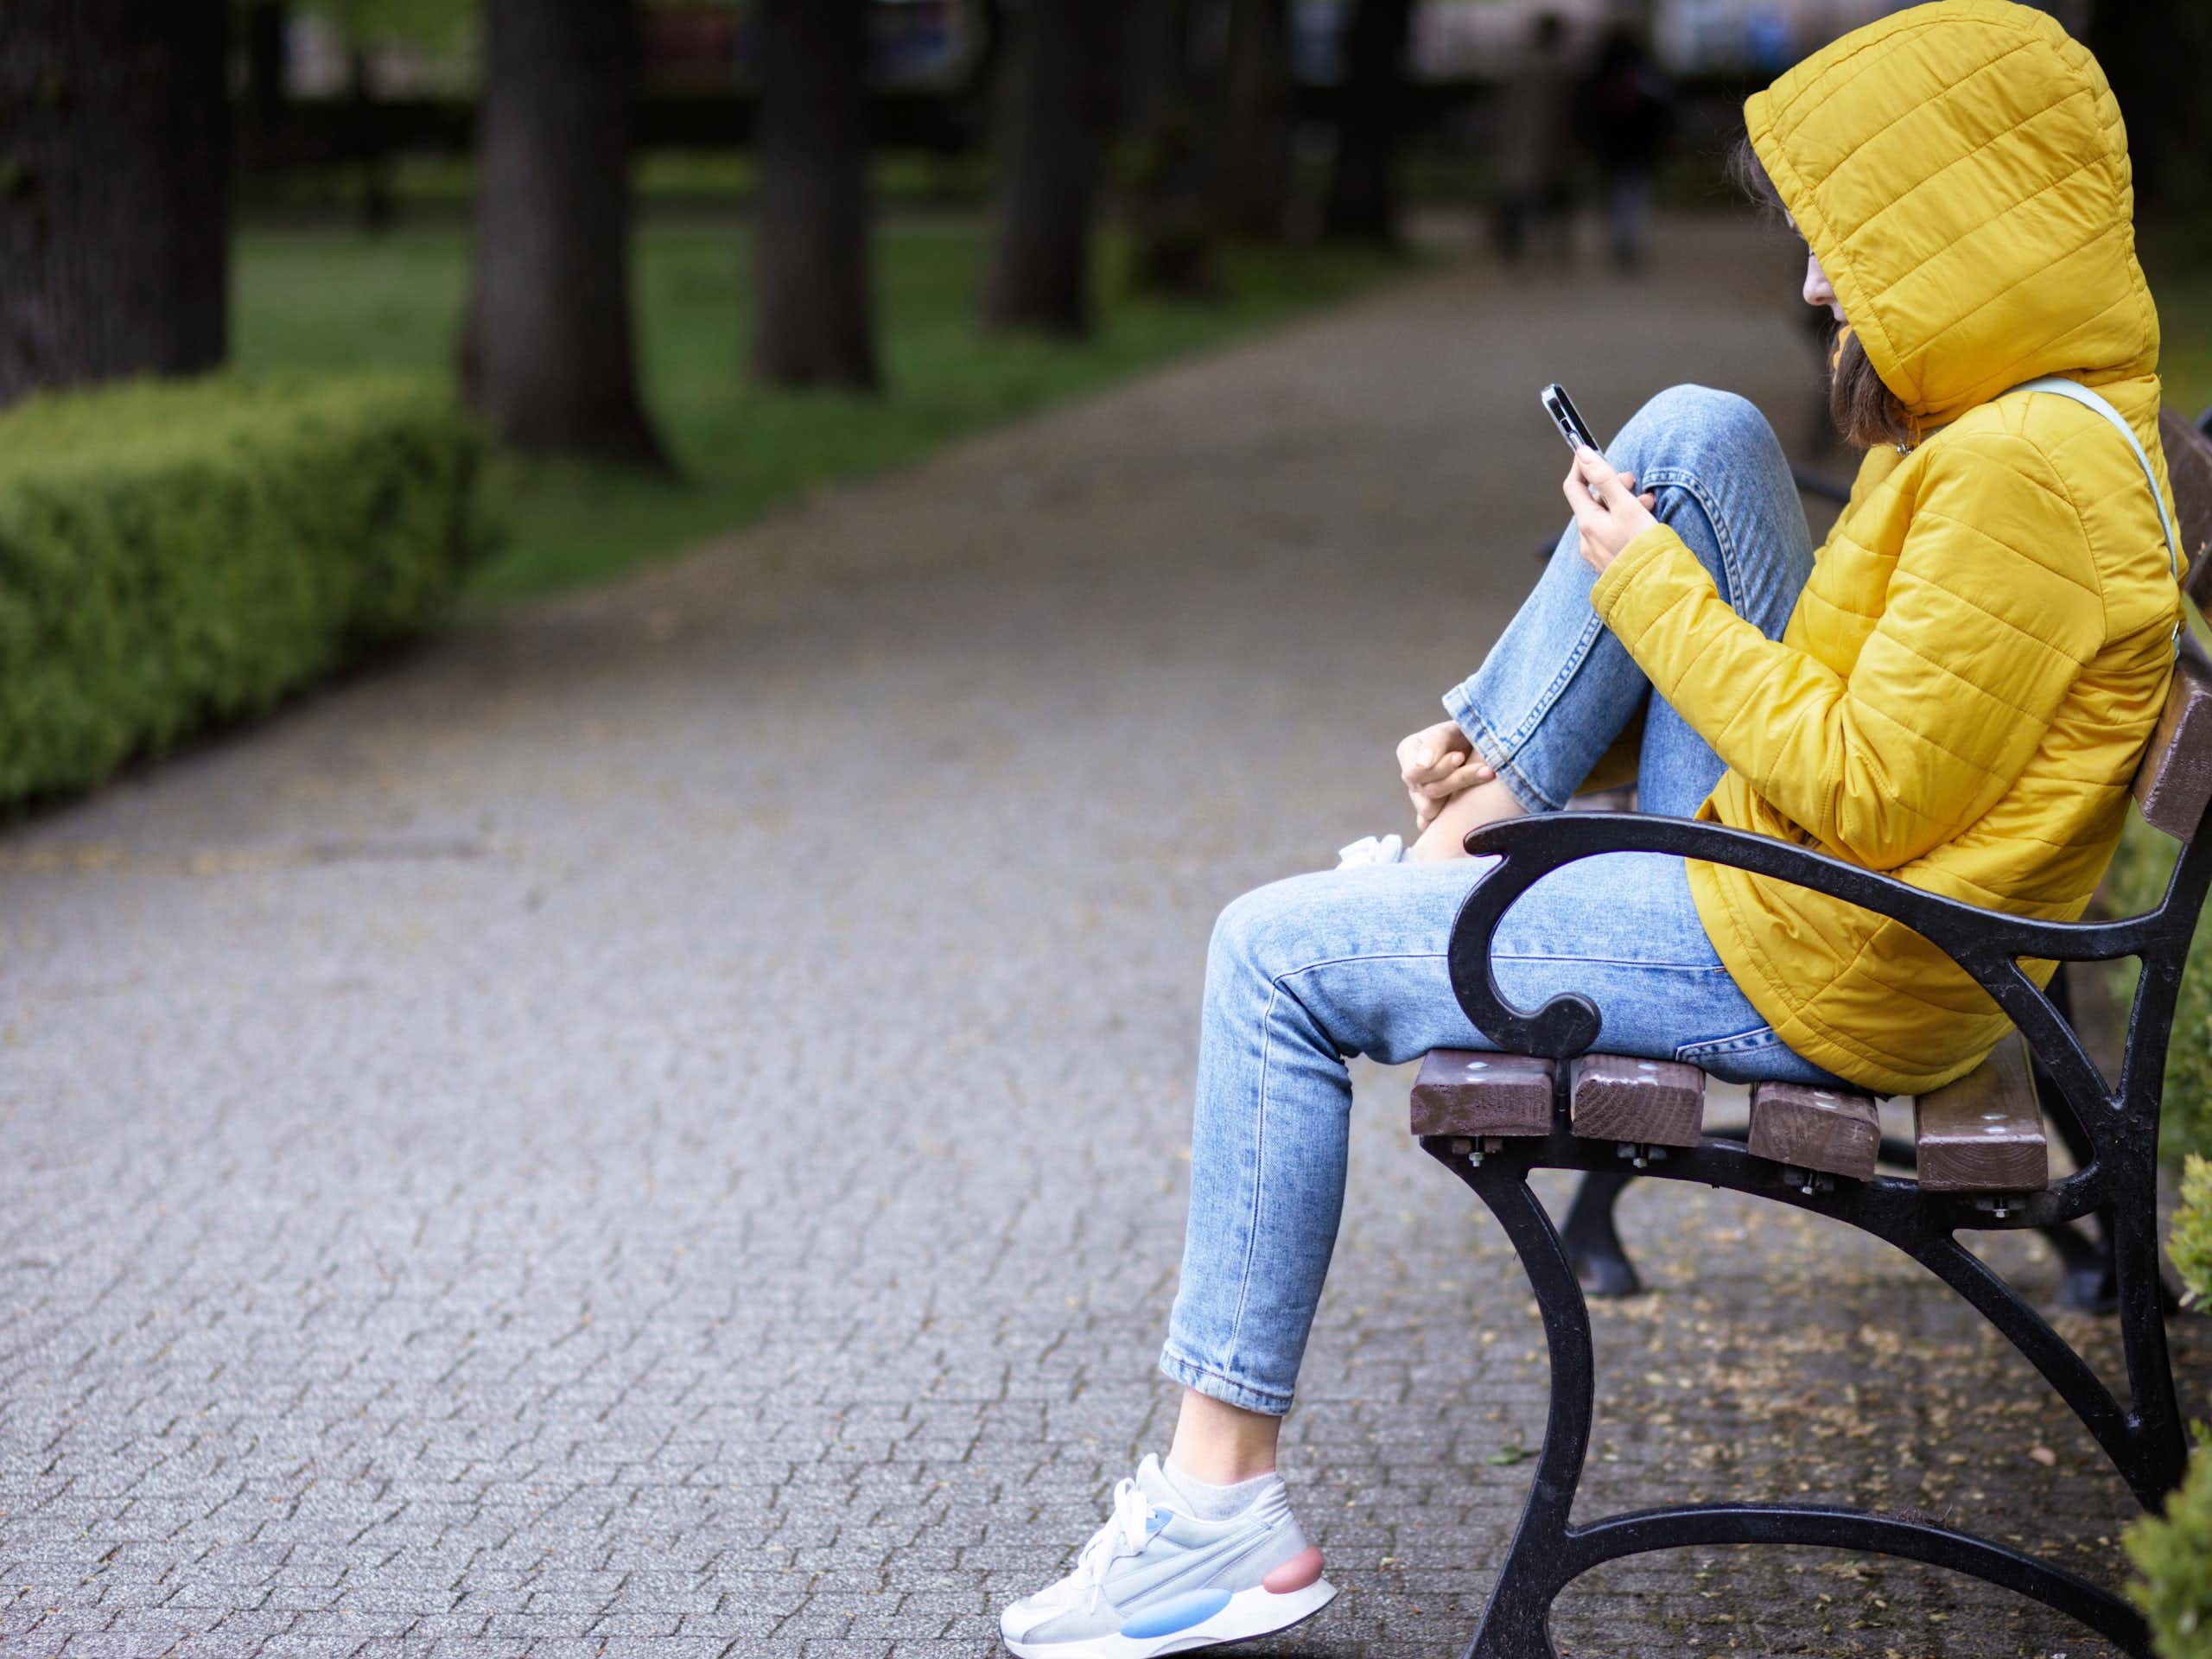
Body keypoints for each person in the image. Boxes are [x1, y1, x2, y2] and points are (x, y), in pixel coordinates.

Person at [997, 5, 2183, 1655]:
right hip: (1841, 896)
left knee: (1267, 959)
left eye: (1848, 245)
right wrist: (1648, 627)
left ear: (1953, 238)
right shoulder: (2027, 435)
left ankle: (1214, 1515)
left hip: (1834, 955)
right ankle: (1482, 817)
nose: (1826, 288)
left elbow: (1868, 787)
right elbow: (1877, 759)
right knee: (1696, 432)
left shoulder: (2029, 477)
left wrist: (1651, 596)